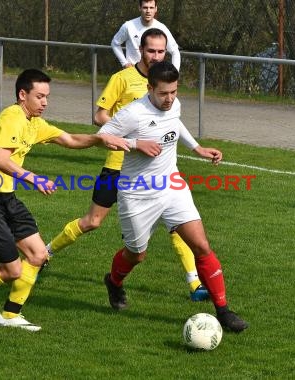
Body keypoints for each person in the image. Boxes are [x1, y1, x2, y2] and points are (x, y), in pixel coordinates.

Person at [0, 69, 129, 331]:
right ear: (22, 94)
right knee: (12, 271)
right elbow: (0, 159)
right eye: (40, 96)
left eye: (47, 97)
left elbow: (69, 139)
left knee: (38, 254)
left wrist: (99, 139)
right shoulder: (12, 117)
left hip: (7, 200)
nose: (45, 102)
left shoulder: (33, 123)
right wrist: (34, 178)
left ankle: (9, 315)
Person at [46, 28, 209, 302]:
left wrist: (193, 145)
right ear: (140, 50)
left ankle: (194, 283)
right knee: (92, 221)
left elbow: (173, 120)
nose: (156, 56)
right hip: (118, 167)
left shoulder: (165, 85)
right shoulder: (122, 78)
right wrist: (129, 130)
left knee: (178, 224)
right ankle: (45, 253)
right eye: (151, 51)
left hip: (155, 173)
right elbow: (100, 117)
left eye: (161, 51)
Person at [98, 61, 249, 333]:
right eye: (163, 93)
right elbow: (102, 135)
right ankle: (114, 282)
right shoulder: (133, 113)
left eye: (174, 92)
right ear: (149, 88)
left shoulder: (173, 105)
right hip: (137, 194)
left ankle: (223, 310)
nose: (169, 99)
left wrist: (197, 148)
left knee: (201, 245)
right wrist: (135, 144)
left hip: (172, 185)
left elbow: (175, 125)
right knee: (136, 255)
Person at [111, 0, 180, 70]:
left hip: (154, 74)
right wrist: (124, 63)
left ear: (156, 9)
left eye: (151, 8)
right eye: (145, 7)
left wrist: (175, 74)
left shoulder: (162, 28)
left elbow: (175, 51)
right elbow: (115, 43)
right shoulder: (128, 26)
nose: (148, 11)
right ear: (139, 8)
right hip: (132, 72)